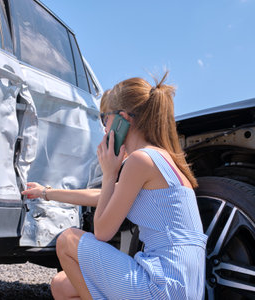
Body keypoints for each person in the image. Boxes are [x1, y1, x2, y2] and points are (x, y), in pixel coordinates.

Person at [22, 72, 207, 300]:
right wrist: (45, 193)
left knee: (67, 239)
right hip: (182, 288)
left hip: (160, 287)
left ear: (122, 120)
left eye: (105, 119)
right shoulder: (164, 161)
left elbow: (102, 232)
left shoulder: (141, 160)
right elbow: (103, 196)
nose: (104, 128)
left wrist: (110, 173)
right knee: (62, 285)